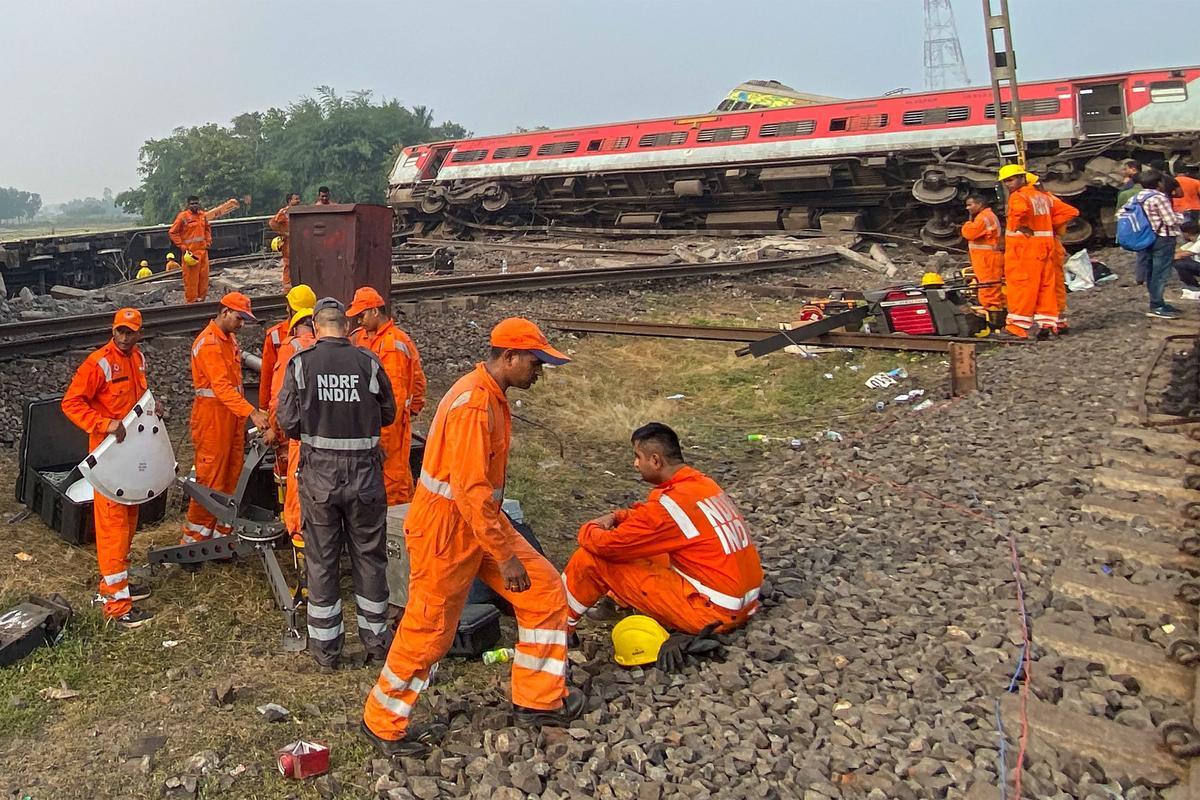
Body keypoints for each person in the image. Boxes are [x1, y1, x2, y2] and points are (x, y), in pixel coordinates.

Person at [362, 318, 583, 756]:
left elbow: (478, 498)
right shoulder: (473, 405)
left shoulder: (490, 396)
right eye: (536, 363)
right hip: (447, 531)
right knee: (429, 631)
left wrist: (500, 546)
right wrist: (505, 556)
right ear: (509, 357)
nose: (539, 372)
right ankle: (382, 722)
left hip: (478, 525)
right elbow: (471, 491)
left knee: (544, 592)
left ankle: (538, 699)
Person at [276, 298, 395, 669]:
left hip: (319, 478)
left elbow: (288, 421)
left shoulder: (300, 365)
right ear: (346, 326)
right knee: (369, 557)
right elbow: (388, 413)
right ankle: (376, 642)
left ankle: (326, 651)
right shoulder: (369, 363)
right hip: (365, 475)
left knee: (323, 561)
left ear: (314, 326)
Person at [562, 422, 763, 639]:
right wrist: (618, 516)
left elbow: (606, 545)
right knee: (643, 545)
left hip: (710, 613)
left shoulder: (671, 507)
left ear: (656, 460)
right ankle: (617, 602)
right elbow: (652, 523)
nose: (635, 464)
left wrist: (590, 528)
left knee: (592, 558)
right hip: (743, 603)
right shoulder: (703, 486)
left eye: (638, 457)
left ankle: (556, 626)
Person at [62, 308, 156, 629]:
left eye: (130, 332)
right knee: (114, 526)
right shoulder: (99, 362)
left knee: (128, 521)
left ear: (139, 333)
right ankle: (116, 604)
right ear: (113, 331)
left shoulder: (137, 359)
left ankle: (120, 586)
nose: (125, 337)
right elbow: (72, 403)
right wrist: (103, 424)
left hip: (129, 455)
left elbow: (139, 398)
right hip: (108, 457)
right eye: (120, 332)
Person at [183, 293, 270, 544]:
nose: (241, 324)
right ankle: (194, 543)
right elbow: (221, 388)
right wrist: (251, 412)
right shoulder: (210, 343)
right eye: (239, 318)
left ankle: (222, 536)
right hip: (213, 420)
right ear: (224, 313)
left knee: (231, 477)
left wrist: (244, 417)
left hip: (229, 419)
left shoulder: (227, 340)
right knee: (210, 480)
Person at [348, 287, 427, 505]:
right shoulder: (361, 338)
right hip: (372, 425)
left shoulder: (392, 345)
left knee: (393, 480)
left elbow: (393, 400)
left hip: (387, 431)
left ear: (375, 311)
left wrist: (381, 439)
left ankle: (393, 527)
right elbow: (418, 386)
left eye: (361, 315)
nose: (358, 321)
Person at [259, 284, 317, 508]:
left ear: (290, 309)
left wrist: (271, 422)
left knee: (288, 473)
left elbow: (272, 384)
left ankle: (289, 520)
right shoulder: (324, 333)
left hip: (288, 421)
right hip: (309, 421)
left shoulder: (278, 337)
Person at [269, 308, 317, 543]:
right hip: (325, 435)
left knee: (297, 493)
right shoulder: (335, 345)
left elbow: (280, 397)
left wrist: (274, 429)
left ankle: (304, 573)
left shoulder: (291, 347)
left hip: (298, 434)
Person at [998, 165, 1059, 339]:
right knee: (1045, 286)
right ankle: (1047, 324)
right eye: (1005, 182)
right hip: (1045, 245)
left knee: (1022, 285)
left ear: (1022, 178)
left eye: (1010, 180)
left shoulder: (1018, 196)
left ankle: (1017, 326)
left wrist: (1019, 226)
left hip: (1026, 248)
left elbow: (1019, 211)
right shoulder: (1041, 197)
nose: (1008, 185)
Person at [1135, 171, 1186, 319]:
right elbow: (1170, 221)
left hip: (1146, 237)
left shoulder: (1138, 196)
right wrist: (1181, 216)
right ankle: (1157, 305)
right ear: (1159, 183)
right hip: (1163, 238)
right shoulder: (1159, 197)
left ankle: (1157, 302)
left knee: (1151, 271)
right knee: (1161, 273)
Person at [1032, 177, 1080, 335]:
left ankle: (1047, 323)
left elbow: (1071, 212)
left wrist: (1050, 224)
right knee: (1055, 286)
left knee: (1046, 286)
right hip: (1050, 245)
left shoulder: (1041, 200)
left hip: (1045, 246)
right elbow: (1071, 212)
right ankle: (1059, 322)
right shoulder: (1047, 199)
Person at [960, 194, 1005, 331]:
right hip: (985, 259)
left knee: (989, 291)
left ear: (979, 204)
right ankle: (996, 322)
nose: (968, 208)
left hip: (987, 260)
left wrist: (966, 224)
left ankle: (995, 325)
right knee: (989, 290)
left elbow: (970, 234)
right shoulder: (986, 216)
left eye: (970, 205)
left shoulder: (983, 218)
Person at [169, 196, 213, 303]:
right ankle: (191, 303)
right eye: (192, 203)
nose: (195, 205)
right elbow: (173, 232)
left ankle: (201, 301)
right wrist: (181, 245)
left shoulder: (203, 215)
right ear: (188, 205)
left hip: (203, 252)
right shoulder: (183, 216)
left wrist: (208, 240)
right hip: (191, 254)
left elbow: (207, 229)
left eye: (196, 203)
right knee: (191, 280)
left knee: (204, 279)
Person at [270, 192, 301, 290]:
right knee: (288, 264)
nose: (298, 201)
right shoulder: (284, 212)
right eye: (296, 199)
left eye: (298, 199)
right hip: (288, 243)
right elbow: (273, 223)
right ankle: (287, 286)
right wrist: (284, 233)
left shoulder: (300, 211)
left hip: (300, 242)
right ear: (289, 201)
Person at [1175, 221, 1200, 301]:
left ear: (1187, 233)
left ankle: (1194, 286)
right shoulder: (1194, 241)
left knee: (1180, 264)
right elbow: (1180, 250)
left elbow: (1184, 254)